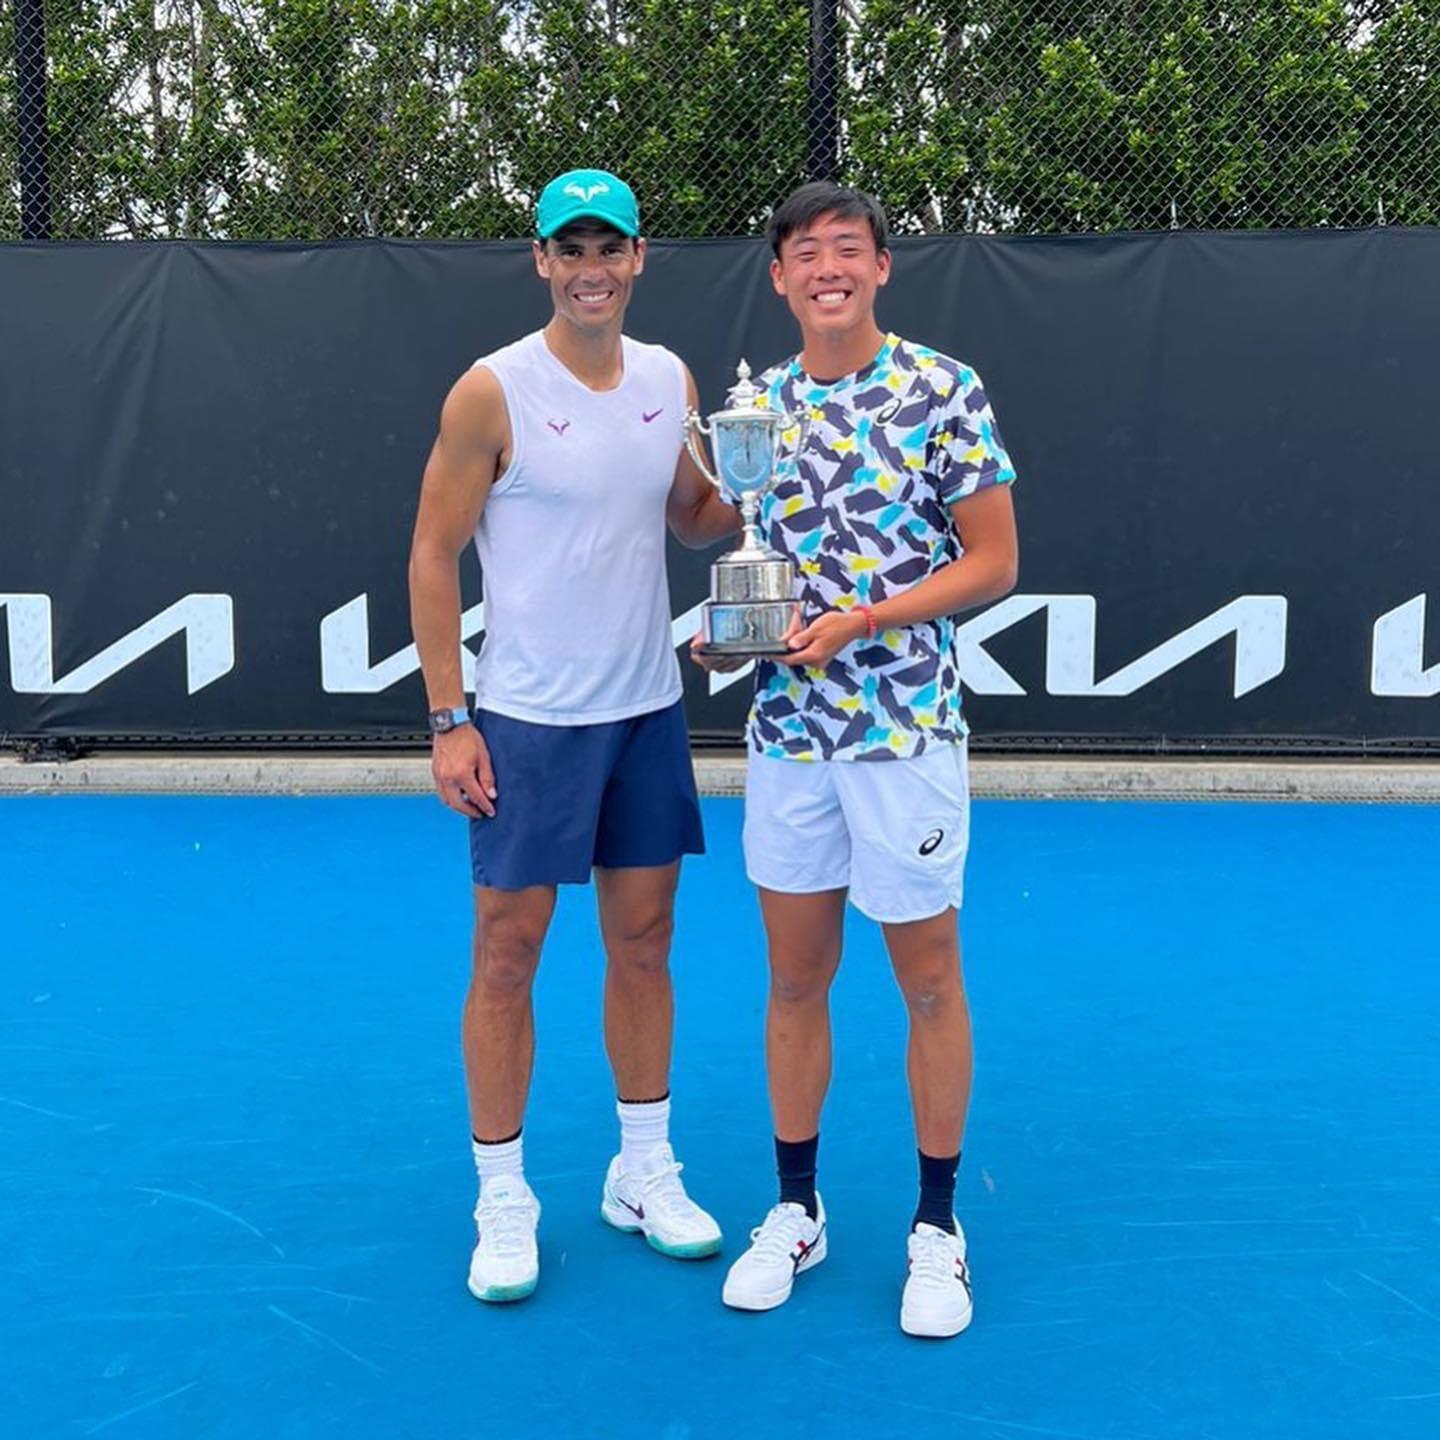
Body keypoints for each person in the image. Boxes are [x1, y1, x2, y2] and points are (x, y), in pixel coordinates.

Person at [693, 181, 1020, 1338]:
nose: (826, 266)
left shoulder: (943, 388)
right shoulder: (757, 409)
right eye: (805, 252)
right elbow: (754, 558)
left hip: (905, 737)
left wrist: (865, 622)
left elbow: (994, 562)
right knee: (793, 980)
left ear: (881, 267)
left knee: (927, 982)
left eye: (848, 248)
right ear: (779, 277)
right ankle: (797, 1209)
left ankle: (938, 1227)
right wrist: (730, 634)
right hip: (789, 742)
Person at [409, 168, 738, 1303]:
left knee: (644, 942)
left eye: (610, 248)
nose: (591, 270)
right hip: (527, 723)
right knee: (507, 954)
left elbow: (692, 516)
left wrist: (761, 483)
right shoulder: (491, 391)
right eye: (572, 250)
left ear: (638, 258)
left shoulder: (669, 378)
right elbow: (431, 554)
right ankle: (502, 1194)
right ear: (542, 261)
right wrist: (451, 719)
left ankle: (641, 1170)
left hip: (645, 713)